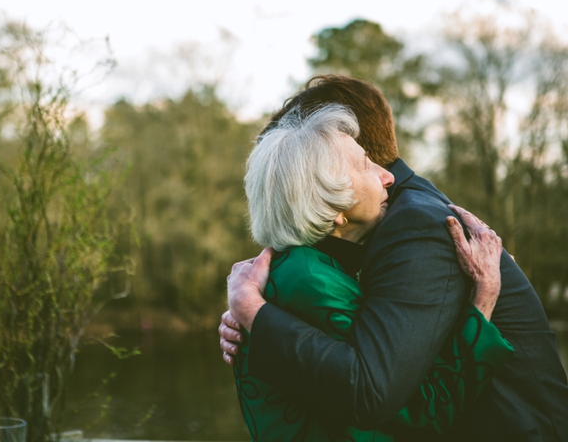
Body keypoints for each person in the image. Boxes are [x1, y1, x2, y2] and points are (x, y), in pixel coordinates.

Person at [220, 76, 568, 441]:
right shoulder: (391, 224)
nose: (385, 177)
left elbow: (373, 393)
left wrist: (253, 313)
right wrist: (254, 312)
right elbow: (379, 391)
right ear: (328, 190)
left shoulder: (415, 224)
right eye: (363, 163)